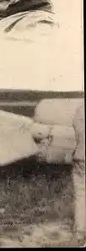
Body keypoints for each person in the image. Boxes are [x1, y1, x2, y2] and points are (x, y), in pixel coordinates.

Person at [72, 103, 85, 242]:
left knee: (81, 194)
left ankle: (80, 232)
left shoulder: (80, 108)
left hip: (80, 156)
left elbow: (76, 130)